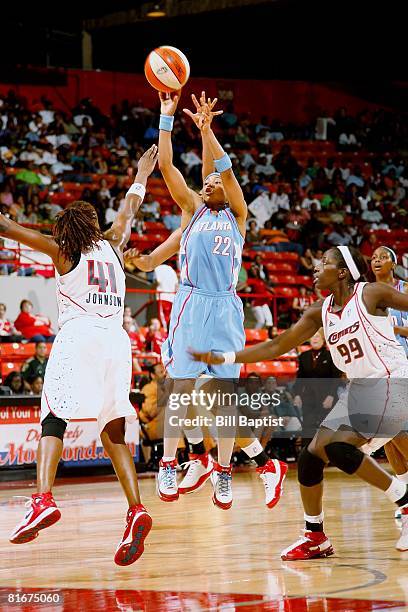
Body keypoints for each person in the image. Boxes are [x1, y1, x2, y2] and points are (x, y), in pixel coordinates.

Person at [191, 245, 408, 555]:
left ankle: (404, 501)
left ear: (343, 272)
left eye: (325, 263)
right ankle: (315, 535)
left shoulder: (370, 294)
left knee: (338, 445)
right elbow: (278, 344)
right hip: (360, 390)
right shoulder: (320, 310)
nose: (316, 268)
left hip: (393, 382)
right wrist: (225, 356)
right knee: (311, 456)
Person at [2, 144, 158, 566]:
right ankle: (136, 509)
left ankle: (43, 499)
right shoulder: (112, 244)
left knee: (53, 416)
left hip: (80, 336)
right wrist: (142, 172)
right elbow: (128, 210)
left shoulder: (62, 251)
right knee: (111, 430)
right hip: (117, 339)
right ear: (93, 226)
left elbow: (10, 230)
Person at [156, 90, 248, 509]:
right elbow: (166, 165)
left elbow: (225, 168)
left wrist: (208, 131)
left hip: (225, 306)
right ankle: (168, 462)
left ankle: (223, 471)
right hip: (193, 304)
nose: (208, 182)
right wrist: (166, 116)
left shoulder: (239, 215)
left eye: (214, 182)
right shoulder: (192, 209)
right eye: (205, 180)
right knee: (180, 387)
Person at [370, 245, 408, 520]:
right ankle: (405, 492)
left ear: (393, 264)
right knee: (388, 437)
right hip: (378, 370)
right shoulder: (367, 294)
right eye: (373, 258)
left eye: (383, 257)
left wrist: (392, 328)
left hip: (404, 364)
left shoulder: (404, 290)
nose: (377, 261)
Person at [292, 329, 342, 446]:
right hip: (309, 398)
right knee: (308, 427)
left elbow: (336, 378)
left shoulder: (330, 356)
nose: (314, 339)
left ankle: (328, 455)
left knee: (326, 428)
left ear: (323, 340)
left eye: (317, 336)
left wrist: (331, 396)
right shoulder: (304, 356)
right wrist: (298, 395)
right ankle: (306, 456)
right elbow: (300, 378)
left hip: (326, 397)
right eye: (312, 336)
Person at [153, 262, 178, 331]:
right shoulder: (172, 270)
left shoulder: (157, 268)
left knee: (162, 318)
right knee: (169, 318)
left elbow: (157, 282)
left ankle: (165, 334)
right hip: (172, 298)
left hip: (162, 296)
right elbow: (176, 286)